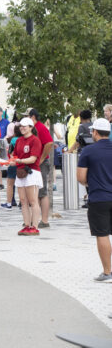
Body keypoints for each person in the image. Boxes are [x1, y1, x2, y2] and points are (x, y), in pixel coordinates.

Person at [76, 118, 112, 281]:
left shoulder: (88, 151)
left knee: (102, 234)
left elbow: (81, 177)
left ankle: (107, 271)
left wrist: (91, 181)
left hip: (99, 197)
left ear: (95, 132)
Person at [12, 117, 42, 236]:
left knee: (33, 201)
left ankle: (34, 226)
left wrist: (19, 160)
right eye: (21, 126)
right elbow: (14, 156)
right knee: (23, 201)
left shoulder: (35, 140)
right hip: (20, 173)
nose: (22, 128)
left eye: (25, 126)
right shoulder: (18, 140)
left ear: (31, 127)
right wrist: (13, 161)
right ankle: (26, 225)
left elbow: (33, 159)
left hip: (32, 172)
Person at [29, 109, 54, 228]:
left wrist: (42, 159)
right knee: (35, 191)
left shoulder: (40, 127)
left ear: (33, 117)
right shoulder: (33, 129)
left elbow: (49, 143)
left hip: (41, 164)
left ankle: (44, 220)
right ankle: (36, 219)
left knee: (42, 191)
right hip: (34, 163)